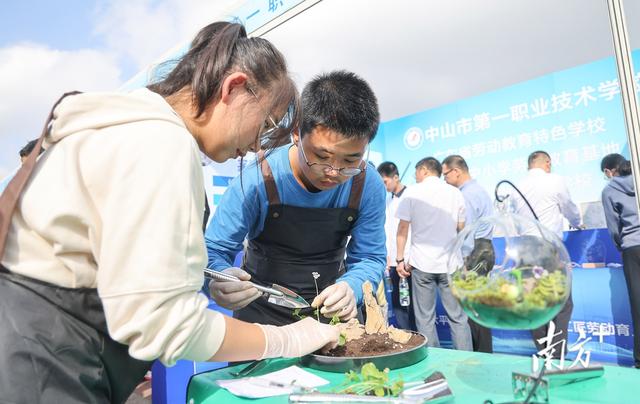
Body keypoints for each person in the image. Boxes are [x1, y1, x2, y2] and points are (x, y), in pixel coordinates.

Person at [0, 22, 339, 404]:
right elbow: (166, 325)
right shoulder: (162, 143)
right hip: (43, 362)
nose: (253, 146)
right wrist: (287, 338)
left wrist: (208, 275)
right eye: (266, 124)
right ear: (234, 88)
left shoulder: (122, 126)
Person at [205, 70, 386, 326]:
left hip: (331, 311)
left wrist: (352, 287)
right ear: (297, 133)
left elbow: (370, 256)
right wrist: (221, 279)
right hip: (261, 312)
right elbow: (214, 250)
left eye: (350, 160)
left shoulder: (367, 184)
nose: (334, 173)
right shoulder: (258, 179)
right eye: (321, 157)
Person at [395, 157, 472, 350]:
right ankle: (467, 360)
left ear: (424, 171)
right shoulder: (455, 193)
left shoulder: (412, 192)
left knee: (425, 319)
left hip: (422, 264)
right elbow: (462, 229)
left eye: (416, 172)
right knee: (459, 318)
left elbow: (402, 228)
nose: (415, 176)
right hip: (451, 263)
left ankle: (435, 364)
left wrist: (399, 259)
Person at [512, 150, 583, 357]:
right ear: (547, 163)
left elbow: (515, 221)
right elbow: (569, 208)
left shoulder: (518, 186)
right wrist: (578, 223)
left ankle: (543, 351)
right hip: (548, 247)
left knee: (534, 301)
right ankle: (557, 353)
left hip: (525, 248)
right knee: (562, 301)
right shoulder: (555, 180)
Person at [442, 154, 494, 353]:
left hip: (474, 252)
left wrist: (463, 260)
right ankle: (484, 352)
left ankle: (481, 355)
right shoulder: (478, 189)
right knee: (479, 307)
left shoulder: (466, 195)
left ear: (456, 171)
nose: (445, 179)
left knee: (473, 308)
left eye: (445, 174)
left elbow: (467, 232)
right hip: (484, 248)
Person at [601, 153, 640, 369]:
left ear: (609, 171)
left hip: (633, 248)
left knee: (638, 305)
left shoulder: (609, 190)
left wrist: (621, 244)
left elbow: (613, 227)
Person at [377, 161, 416, 331]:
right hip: (393, 261)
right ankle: (406, 334)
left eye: (385, 182)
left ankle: (418, 334)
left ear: (396, 177)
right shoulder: (387, 201)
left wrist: (405, 259)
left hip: (408, 260)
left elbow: (411, 231)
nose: (383, 186)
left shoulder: (411, 196)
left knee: (414, 304)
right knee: (398, 302)